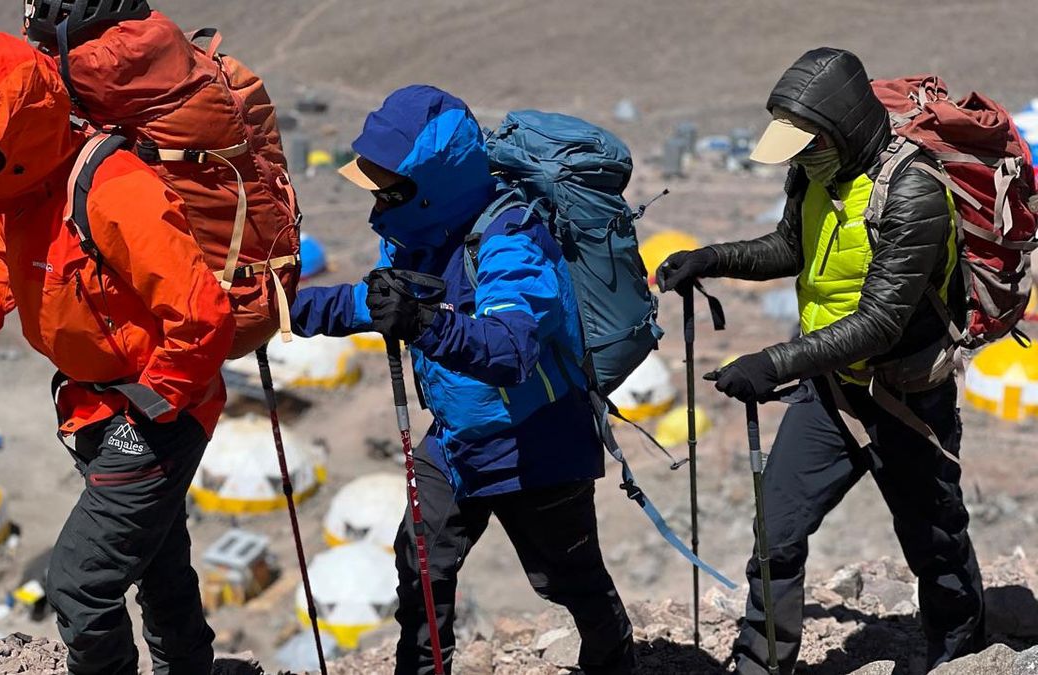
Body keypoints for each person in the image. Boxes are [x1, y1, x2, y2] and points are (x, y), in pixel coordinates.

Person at [0, 33, 234, 675]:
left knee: (79, 584)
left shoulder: (115, 190)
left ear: (19, 147)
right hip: (95, 409)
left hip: (157, 410)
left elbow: (200, 312)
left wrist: (152, 406)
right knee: (159, 561)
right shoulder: (16, 197)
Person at [658, 48, 984, 674]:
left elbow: (881, 322)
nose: (802, 156)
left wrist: (773, 363)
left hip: (908, 395)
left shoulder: (913, 190)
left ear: (843, 127)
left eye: (810, 143)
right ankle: (762, 663)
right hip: (833, 390)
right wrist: (712, 258)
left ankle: (961, 655)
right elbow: (790, 246)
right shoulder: (815, 170)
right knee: (774, 533)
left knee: (934, 541)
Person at [292, 85, 635, 674]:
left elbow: (511, 348)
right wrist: (282, 311)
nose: (376, 198)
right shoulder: (422, 238)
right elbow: (376, 302)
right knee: (420, 566)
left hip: (536, 444)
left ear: (431, 185)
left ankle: (615, 661)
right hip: (455, 438)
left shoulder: (511, 238)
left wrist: (423, 324)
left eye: (387, 186)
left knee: (570, 582)